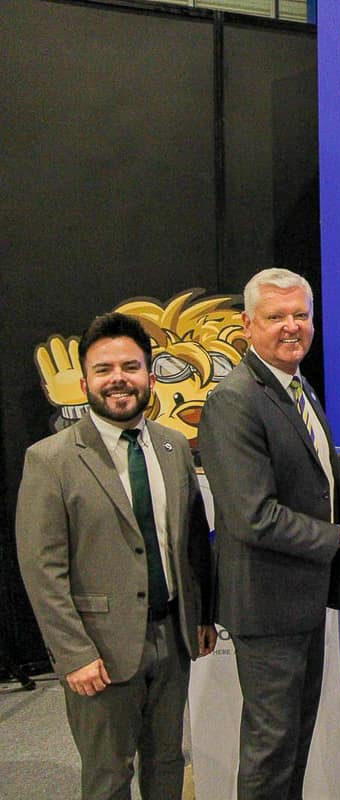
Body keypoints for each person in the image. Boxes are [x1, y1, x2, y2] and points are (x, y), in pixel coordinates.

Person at [198, 268, 340, 799]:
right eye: (276, 316)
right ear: (246, 325)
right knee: (272, 747)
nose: (291, 327)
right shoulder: (234, 400)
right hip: (269, 604)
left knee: (293, 741)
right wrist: (337, 538)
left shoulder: (295, 385)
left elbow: (299, 473)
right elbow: (252, 515)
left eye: (300, 315)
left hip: (301, 598)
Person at [16, 312, 216, 800]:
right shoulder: (50, 459)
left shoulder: (172, 446)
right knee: (108, 776)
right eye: (104, 369)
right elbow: (43, 570)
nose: (118, 379)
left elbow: (191, 541)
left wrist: (204, 615)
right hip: (99, 650)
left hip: (173, 637)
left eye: (130, 366)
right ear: (85, 381)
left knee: (168, 761)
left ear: (149, 375)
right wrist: (73, 654)